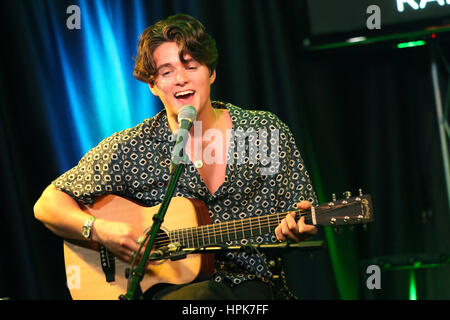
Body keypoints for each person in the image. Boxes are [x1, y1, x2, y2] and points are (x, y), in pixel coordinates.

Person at [34, 13, 318, 300]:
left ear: (211, 72)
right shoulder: (133, 147)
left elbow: (303, 212)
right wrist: (100, 230)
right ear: (153, 85)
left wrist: (302, 223)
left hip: (253, 287)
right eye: (167, 71)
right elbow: (47, 204)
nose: (181, 79)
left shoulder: (263, 132)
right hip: (166, 291)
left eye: (191, 66)